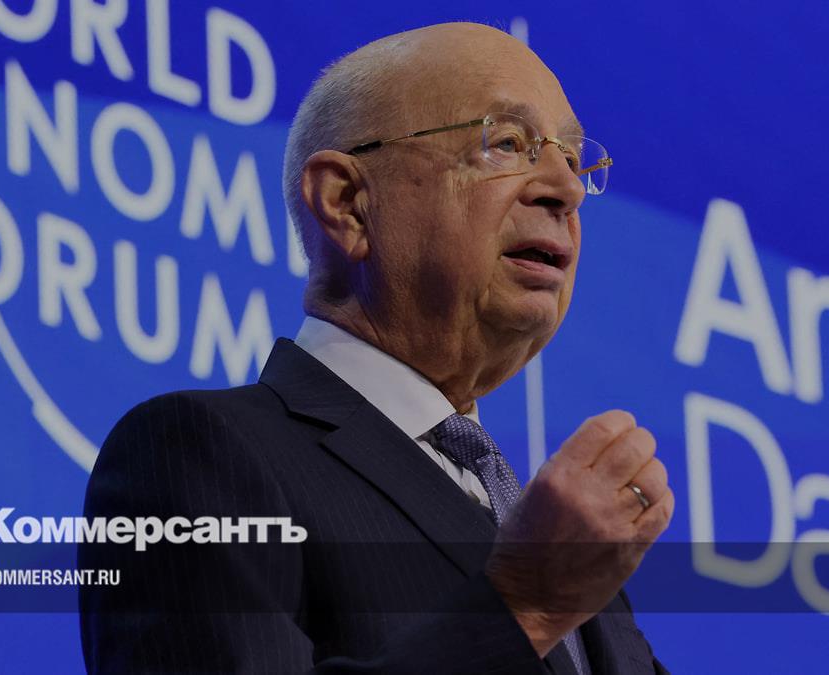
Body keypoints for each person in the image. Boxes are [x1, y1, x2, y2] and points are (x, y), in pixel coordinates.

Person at [79, 22, 673, 674]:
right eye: (507, 143)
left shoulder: (559, 549)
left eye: (573, 160)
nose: (565, 189)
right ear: (347, 203)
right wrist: (527, 605)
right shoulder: (196, 454)